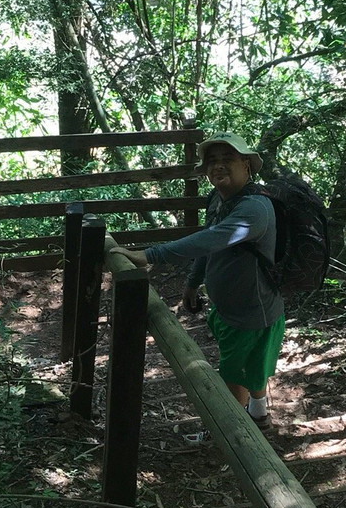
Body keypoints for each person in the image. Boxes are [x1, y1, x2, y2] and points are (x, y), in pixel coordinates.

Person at [111, 132, 284, 432]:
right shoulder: (219, 199)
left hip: (252, 312)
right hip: (231, 308)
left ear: (246, 165)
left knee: (236, 374)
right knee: (252, 365)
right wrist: (193, 282)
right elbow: (211, 244)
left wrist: (150, 254)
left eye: (226, 159)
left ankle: (235, 434)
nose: (217, 166)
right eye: (211, 161)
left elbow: (210, 238)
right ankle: (259, 415)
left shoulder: (255, 209)